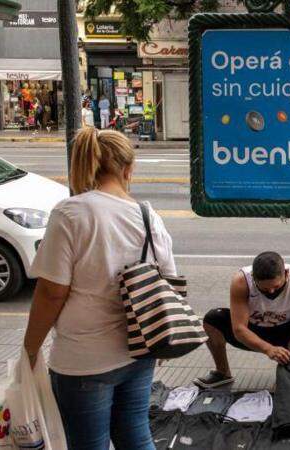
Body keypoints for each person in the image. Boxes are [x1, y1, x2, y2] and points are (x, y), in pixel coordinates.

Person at [23, 128, 175, 449]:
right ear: (128, 169)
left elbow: (52, 292)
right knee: (136, 436)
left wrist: (30, 348)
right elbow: (167, 282)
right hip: (139, 350)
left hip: (83, 360)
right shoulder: (149, 217)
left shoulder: (70, 213)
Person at [194, 251, 290, 389]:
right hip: (251, 331)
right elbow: (239, 329)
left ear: (286, 274)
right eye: (264, 289)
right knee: (212, 319)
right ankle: (222, 373)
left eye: (277, 287)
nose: (271, 292)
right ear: (253, 278)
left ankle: (289, 380)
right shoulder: (241, 281)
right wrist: (268, 349)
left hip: (285, 331)